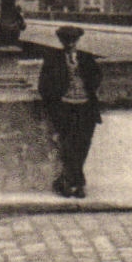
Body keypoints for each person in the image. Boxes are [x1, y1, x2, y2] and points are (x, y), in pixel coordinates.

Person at [37, 25, 102, 199]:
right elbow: (43, 85)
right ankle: (76, 182)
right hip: (64, 108)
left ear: (77, 41)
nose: (70, 44)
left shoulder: (86, 59)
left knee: (83, 144)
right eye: (66, 41)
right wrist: (54, 104)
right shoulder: (52, 59)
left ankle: (70, 180)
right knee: (67, 145)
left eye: (73, 41)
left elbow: (97, 78)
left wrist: (88, 86)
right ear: (61, 41)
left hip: (86, 108)